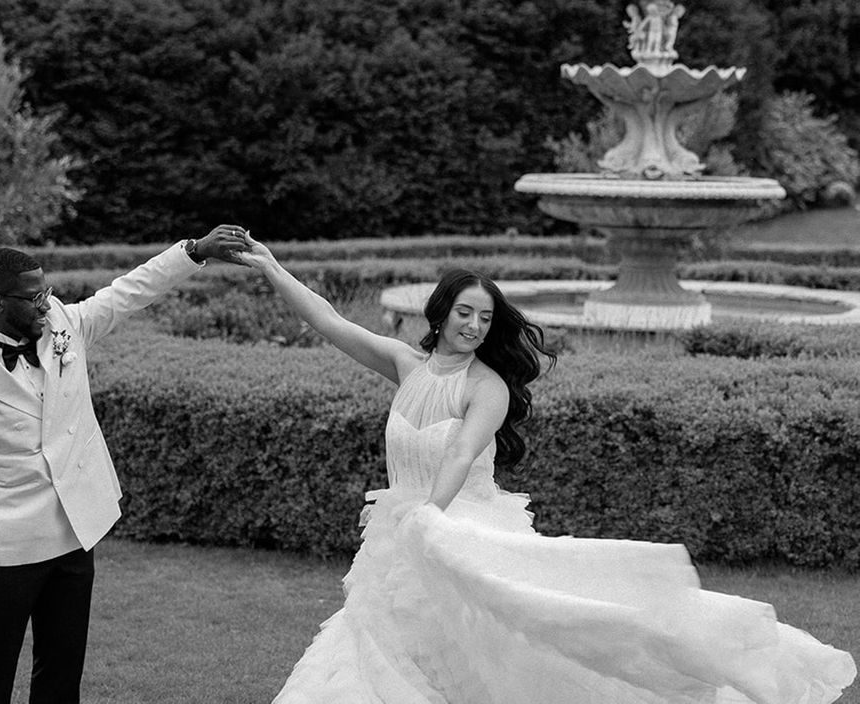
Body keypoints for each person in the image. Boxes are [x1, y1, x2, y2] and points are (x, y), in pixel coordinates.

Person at [236, 234, 856, 704]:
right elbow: (328, 320)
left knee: (505, 650)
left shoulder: (489, 389)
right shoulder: (405, 364)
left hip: (460, 529)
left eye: (485, 317)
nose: (475, 325)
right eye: (465, 313)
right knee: (381, 646)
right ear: (440, 311)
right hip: (397, 533)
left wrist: (427, 518)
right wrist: (269, 266)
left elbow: (457, 455)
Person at [0, 226, 247, 704]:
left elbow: (127, 293)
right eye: (33, 297)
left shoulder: (59, 322)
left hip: (75, 531)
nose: (45, 304)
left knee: (62, 669)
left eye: (46, 292)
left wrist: (195, 252)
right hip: (7, 544)